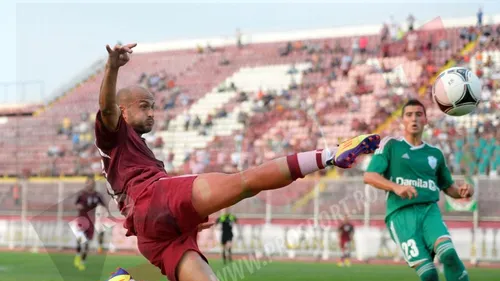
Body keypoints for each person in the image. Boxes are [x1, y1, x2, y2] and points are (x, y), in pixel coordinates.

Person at [98, 43, 381, 281]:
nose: (151, 113)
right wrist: (113, 67)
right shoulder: (114, 133)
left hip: (153, 233)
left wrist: (184, 219)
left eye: (153, 107)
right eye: (144, 106)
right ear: (123, 112)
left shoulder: (130, 149)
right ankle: (331, 154)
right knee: (244, 182)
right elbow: (106, 107)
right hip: (154, 199)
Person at [364, 99, 473, 281]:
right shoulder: (391, 145)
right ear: (402, 121)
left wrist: (462, 192)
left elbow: (448, 187)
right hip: (400, 217)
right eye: (409, 115)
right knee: (429, 274)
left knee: (448, 254)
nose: (414, 119)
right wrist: (395, 187)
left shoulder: (435, 154)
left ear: (425, 120)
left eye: (418, 114)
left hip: (429, 211)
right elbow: (369, 176)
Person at [74, 175, 108, 271]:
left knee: (87, 243)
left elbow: (104, 205)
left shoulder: (97, 195)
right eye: (88, 182)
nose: (90, 184)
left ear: (94, 184)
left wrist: (103, 211)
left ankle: (83, 262)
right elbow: (76, 204)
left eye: (92, 183)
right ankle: (77, 257)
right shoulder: (82, 194)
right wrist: (79, 206)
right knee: (81, 240)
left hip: (91, 221)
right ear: (86, 183)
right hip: (82, 220)